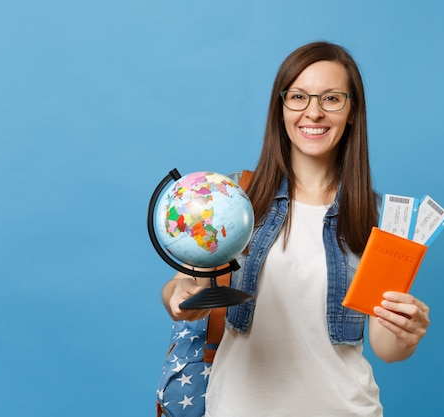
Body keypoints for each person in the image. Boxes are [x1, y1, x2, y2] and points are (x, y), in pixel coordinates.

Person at [162, 41, 430, 417]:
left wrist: (407, 333)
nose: (314, 113)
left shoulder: (380, 217)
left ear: (352, 111)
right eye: (299, 97)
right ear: (281, 107)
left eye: (332, 98)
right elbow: (179, 288)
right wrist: (181, 296)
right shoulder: (234, 196)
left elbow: (386, 347)